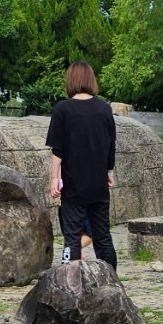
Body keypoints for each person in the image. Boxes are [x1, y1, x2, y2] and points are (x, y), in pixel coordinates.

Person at [47, 62, 117, 271]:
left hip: (73, 184)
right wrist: (108, 172)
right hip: (98, 184)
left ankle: (71, 281)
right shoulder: (104, 109)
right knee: (102, 235)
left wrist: (54, 179)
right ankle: (111, 278)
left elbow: (57, 150)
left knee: (72, 236)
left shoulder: (62, 109)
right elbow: (110, 145)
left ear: (71, 80)